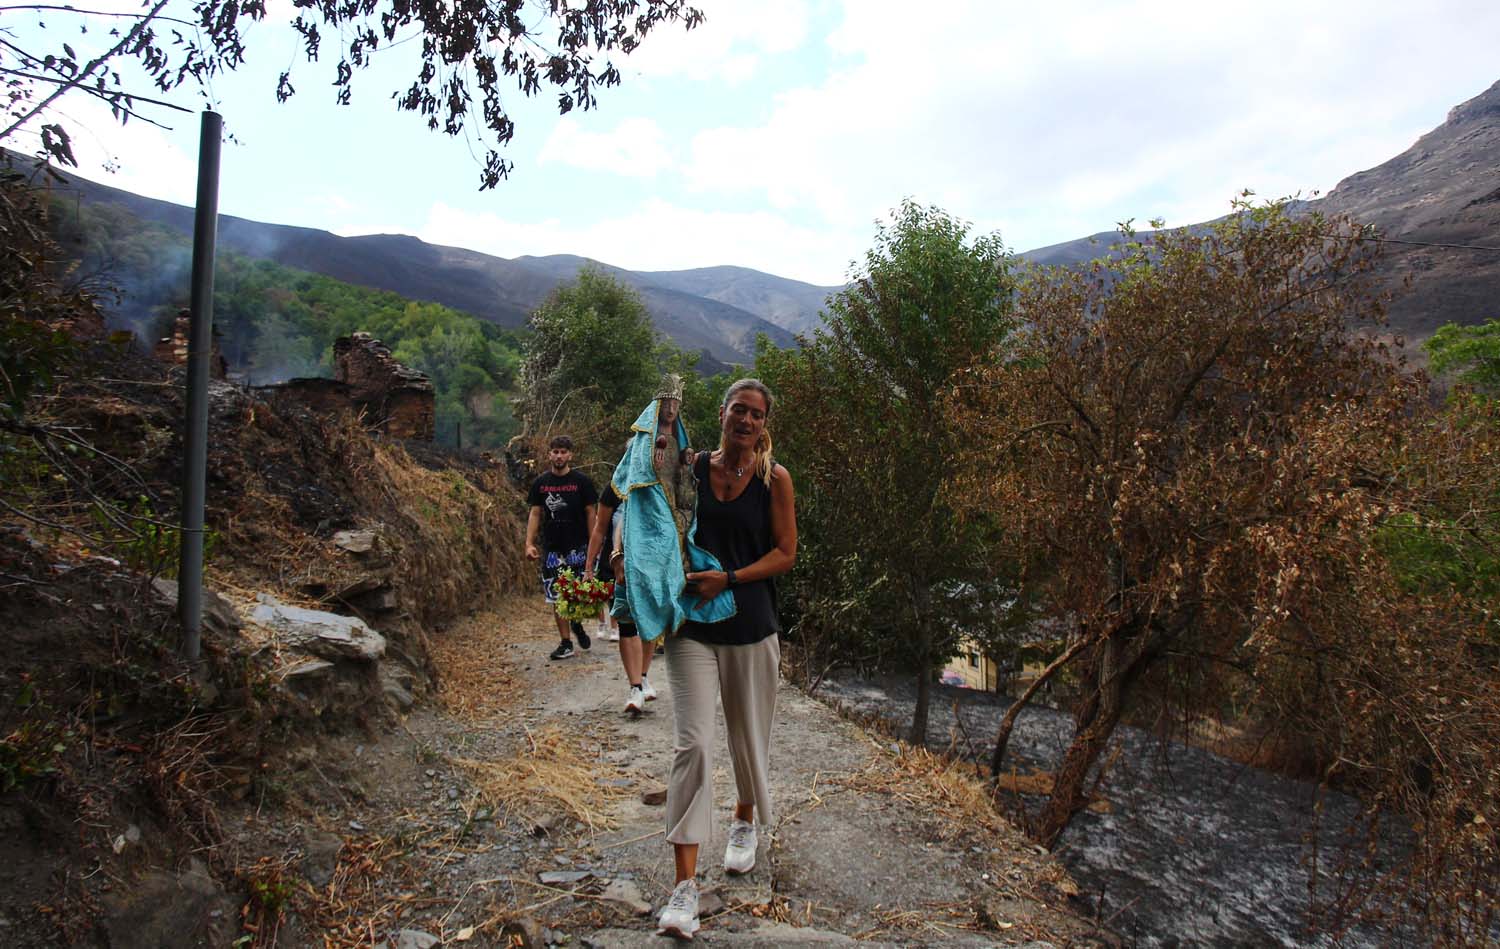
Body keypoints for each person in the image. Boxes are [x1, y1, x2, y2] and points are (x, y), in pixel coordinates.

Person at [656, 378, 796, 941]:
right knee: (693, 743)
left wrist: (731, 578)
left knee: (747, 737)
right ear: (721, 413)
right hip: (690, 625)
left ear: (764, 425)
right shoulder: (690, 470)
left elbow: (785, 552)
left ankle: (743, 820)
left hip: (750, 627)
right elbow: (651, 505)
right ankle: (684, 888)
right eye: (738, 409)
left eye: (756, 415)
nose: (746, 420)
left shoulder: (774, 479)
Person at [585, 374, 705, 713]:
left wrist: (685, 469)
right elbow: (606, 524)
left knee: (656, 607)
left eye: (675, 405)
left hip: (665, 546)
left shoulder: (677, 461)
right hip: (629, 552)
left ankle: (644, 675)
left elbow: (687, 498)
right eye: (664, 405)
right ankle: (635, 686)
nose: (670, 410)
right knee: (628, 618)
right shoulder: (620, 489)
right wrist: (604, 560)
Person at [524, 434, 598, 660]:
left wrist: (593, 545)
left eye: (563, 452)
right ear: (549, 454)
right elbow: (536, 513)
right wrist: (529, 543)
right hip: (552, 548)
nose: (559, 456)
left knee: (575, 594)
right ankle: (566, 642)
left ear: (570, 455)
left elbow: (591, 514)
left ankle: (576, 623)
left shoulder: (582, 482)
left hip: (577, 547)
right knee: (556, 595)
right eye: (555, 451)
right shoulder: (541, 483)